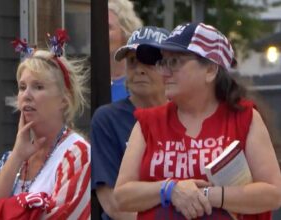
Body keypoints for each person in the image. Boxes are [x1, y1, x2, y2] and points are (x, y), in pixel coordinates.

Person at [114, 22, 281, 220]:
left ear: (210, 70)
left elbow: (273, 193)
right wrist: (170, 189)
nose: (164, 72)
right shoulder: (148, 122)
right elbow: (122, 196)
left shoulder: (244, 117)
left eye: (175, 62)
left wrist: (206, 196)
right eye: (163, 62)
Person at [0, 48, 90, 219]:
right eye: (22, 87)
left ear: (64, 99)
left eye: (38, 87)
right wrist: (17, 155)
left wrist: (5, 211)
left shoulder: (77, 153)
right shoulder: (11, 160)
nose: (26, 95)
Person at [91, 26, 169, 220]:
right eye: (133, 61)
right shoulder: (107, 119)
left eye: (150, 62)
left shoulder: (186, 115)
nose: (139, 70)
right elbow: (112, 203)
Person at [108, 0, 142, 102]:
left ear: (125, 32)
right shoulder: (89, 78)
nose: (100, 30)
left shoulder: (140, 80)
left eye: (109, 27)